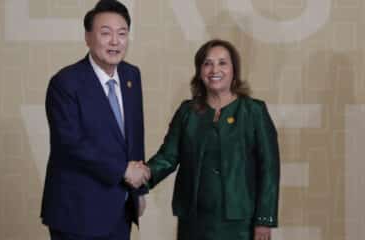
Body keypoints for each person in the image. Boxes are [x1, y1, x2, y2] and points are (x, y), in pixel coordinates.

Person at [146, 39, 280, 240]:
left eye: (222, 63)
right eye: (207, 63)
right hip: (194, 221)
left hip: (240, 223)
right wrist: (142, 176)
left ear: (234, 70)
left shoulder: (254, 112)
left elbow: (269, 168)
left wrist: (264, 220)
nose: (214, 69)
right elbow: (168, 157)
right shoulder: (187, 112)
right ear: (200, 72)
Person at [40, 1, 150, 239]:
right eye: (105, 33)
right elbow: (70, 144)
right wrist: (123, 170)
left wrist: (138, 191)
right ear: (88, 37)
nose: (115, 41)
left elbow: (134, 137)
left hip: (120, 208)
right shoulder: (65, 83)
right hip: (77, 212)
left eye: (122, 34)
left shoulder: (132, 75)